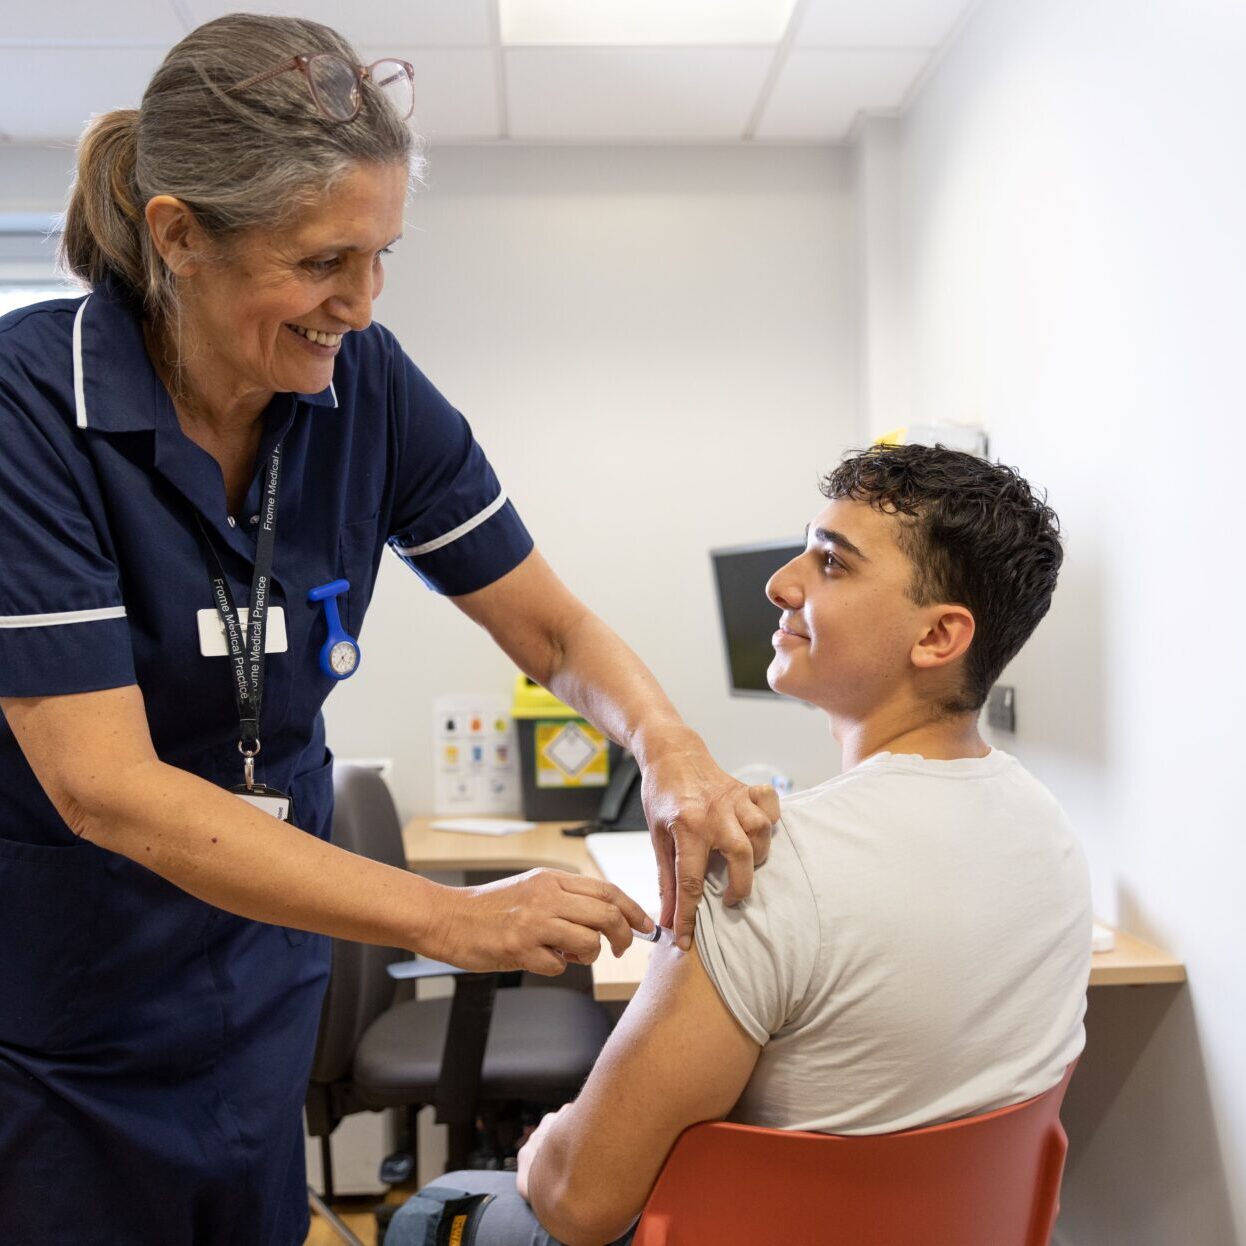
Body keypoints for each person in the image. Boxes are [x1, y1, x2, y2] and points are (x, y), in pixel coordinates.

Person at [0, 15, 778, 1246]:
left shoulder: (362, 385)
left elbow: (554, 631)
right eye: (322, 263)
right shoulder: (31, 404)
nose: (358, 305)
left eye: (380, 257)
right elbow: (102, 787)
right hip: (65, 1007)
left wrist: (670, 749)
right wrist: (445, 916)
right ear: (179, 236)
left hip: (264, 976)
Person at [390, 443, 1093, 1246]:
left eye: (831, 564)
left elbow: (581, 1203)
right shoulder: (1049, 832)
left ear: (938, 637)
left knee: (432, 1210)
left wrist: (548, 1142)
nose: (781, 583)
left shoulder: (762, 867)